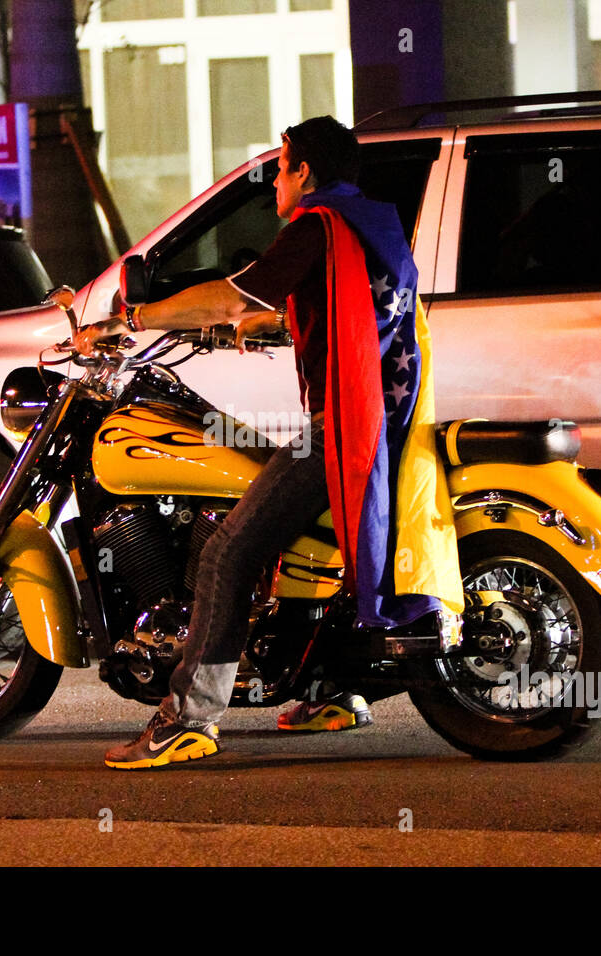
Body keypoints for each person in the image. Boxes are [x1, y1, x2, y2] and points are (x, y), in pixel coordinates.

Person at [76, 116, 462, 770]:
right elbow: (337, 308)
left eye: (281, 168)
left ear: (304, 172)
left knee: (228, 554)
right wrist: (259, 332)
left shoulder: (317, 225)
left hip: (340, 427)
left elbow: (231, 296)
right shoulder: (373, 225)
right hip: (380, 416)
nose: (276, 181)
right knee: (303, 544)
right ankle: (332, 689)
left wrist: (134, 316)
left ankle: (189, 719)